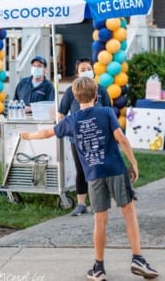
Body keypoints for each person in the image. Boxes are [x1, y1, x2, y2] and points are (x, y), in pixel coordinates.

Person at [20, 77, 159, 280]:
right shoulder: (106, 112)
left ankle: (99, 267)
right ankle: (138, 258)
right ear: (96, 95)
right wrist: (134, 163)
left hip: (93, 175)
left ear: (75, 97)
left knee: (99, 220)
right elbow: (121, 138)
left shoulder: (71, 120)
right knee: (129, 213)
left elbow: (46, 133)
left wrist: (28, 136)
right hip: (115, 169)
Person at [58, 57, 111, 216]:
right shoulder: (70, 91)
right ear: (77, 73)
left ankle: (99, 203)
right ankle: (81, 204)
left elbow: (109, 113)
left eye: (88, 68)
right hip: (78, 139)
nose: (86, 71)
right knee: (81, 170)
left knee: (97, 170)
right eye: (82, 69)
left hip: (98, 138)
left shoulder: (101, 90)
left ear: (93, 70)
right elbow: (61, 114)